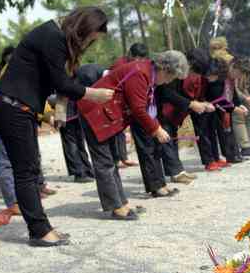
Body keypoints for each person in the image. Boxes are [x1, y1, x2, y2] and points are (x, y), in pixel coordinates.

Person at [0, 6, 114, 247]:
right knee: (26, 172)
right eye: (90, 38)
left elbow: (61, 80)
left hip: (20, 107)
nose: (89, 44)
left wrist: (59, 111)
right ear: (84, 29)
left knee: (30, 169)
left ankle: (40, 226)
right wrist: (94, 94)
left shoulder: (58, 37)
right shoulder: (52, 37)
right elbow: (62, 83)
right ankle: (39, 231)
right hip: (12, 107)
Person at [78, 50, 187, 213]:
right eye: (170, 78)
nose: (167, 82)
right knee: (105, 162)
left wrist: (155, 125)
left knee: (112, 160)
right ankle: (116, 207)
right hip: (95, 114)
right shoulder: (140, 73)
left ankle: (121, 203)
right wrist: (156, 129)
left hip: (107, 116)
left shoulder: (147, 74)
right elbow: (138, 109)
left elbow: (144, 107)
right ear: (164, 69)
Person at [56, 63, 101, 183]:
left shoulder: (73, 75)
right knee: (72, 143)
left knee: (78, 142)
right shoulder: (65, 75)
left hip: (75, 111)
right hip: (67, 112)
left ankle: (86, 170)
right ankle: (79, 172)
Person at [204, 58, 248, 168]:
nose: (238, 77)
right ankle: (210, 160)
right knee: (210, 133)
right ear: (232, 66)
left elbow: (233, 93)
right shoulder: (220, 75)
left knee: (221, 132)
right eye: (238, 73)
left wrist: (239, 105)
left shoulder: (231, 78)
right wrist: (234, 108)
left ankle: (219, 157)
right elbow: (217, 97)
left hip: (222, 109)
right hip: (209, 107)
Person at [111, 43, 149, 169]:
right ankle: (116, 159)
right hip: (117, 100)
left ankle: (124, 157)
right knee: (116, 130)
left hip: (132, 101)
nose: (139, 61)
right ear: (130, 55)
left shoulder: (145, 65)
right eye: (136, 58)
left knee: (122, 131)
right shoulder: (119, 65)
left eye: (142, 59)